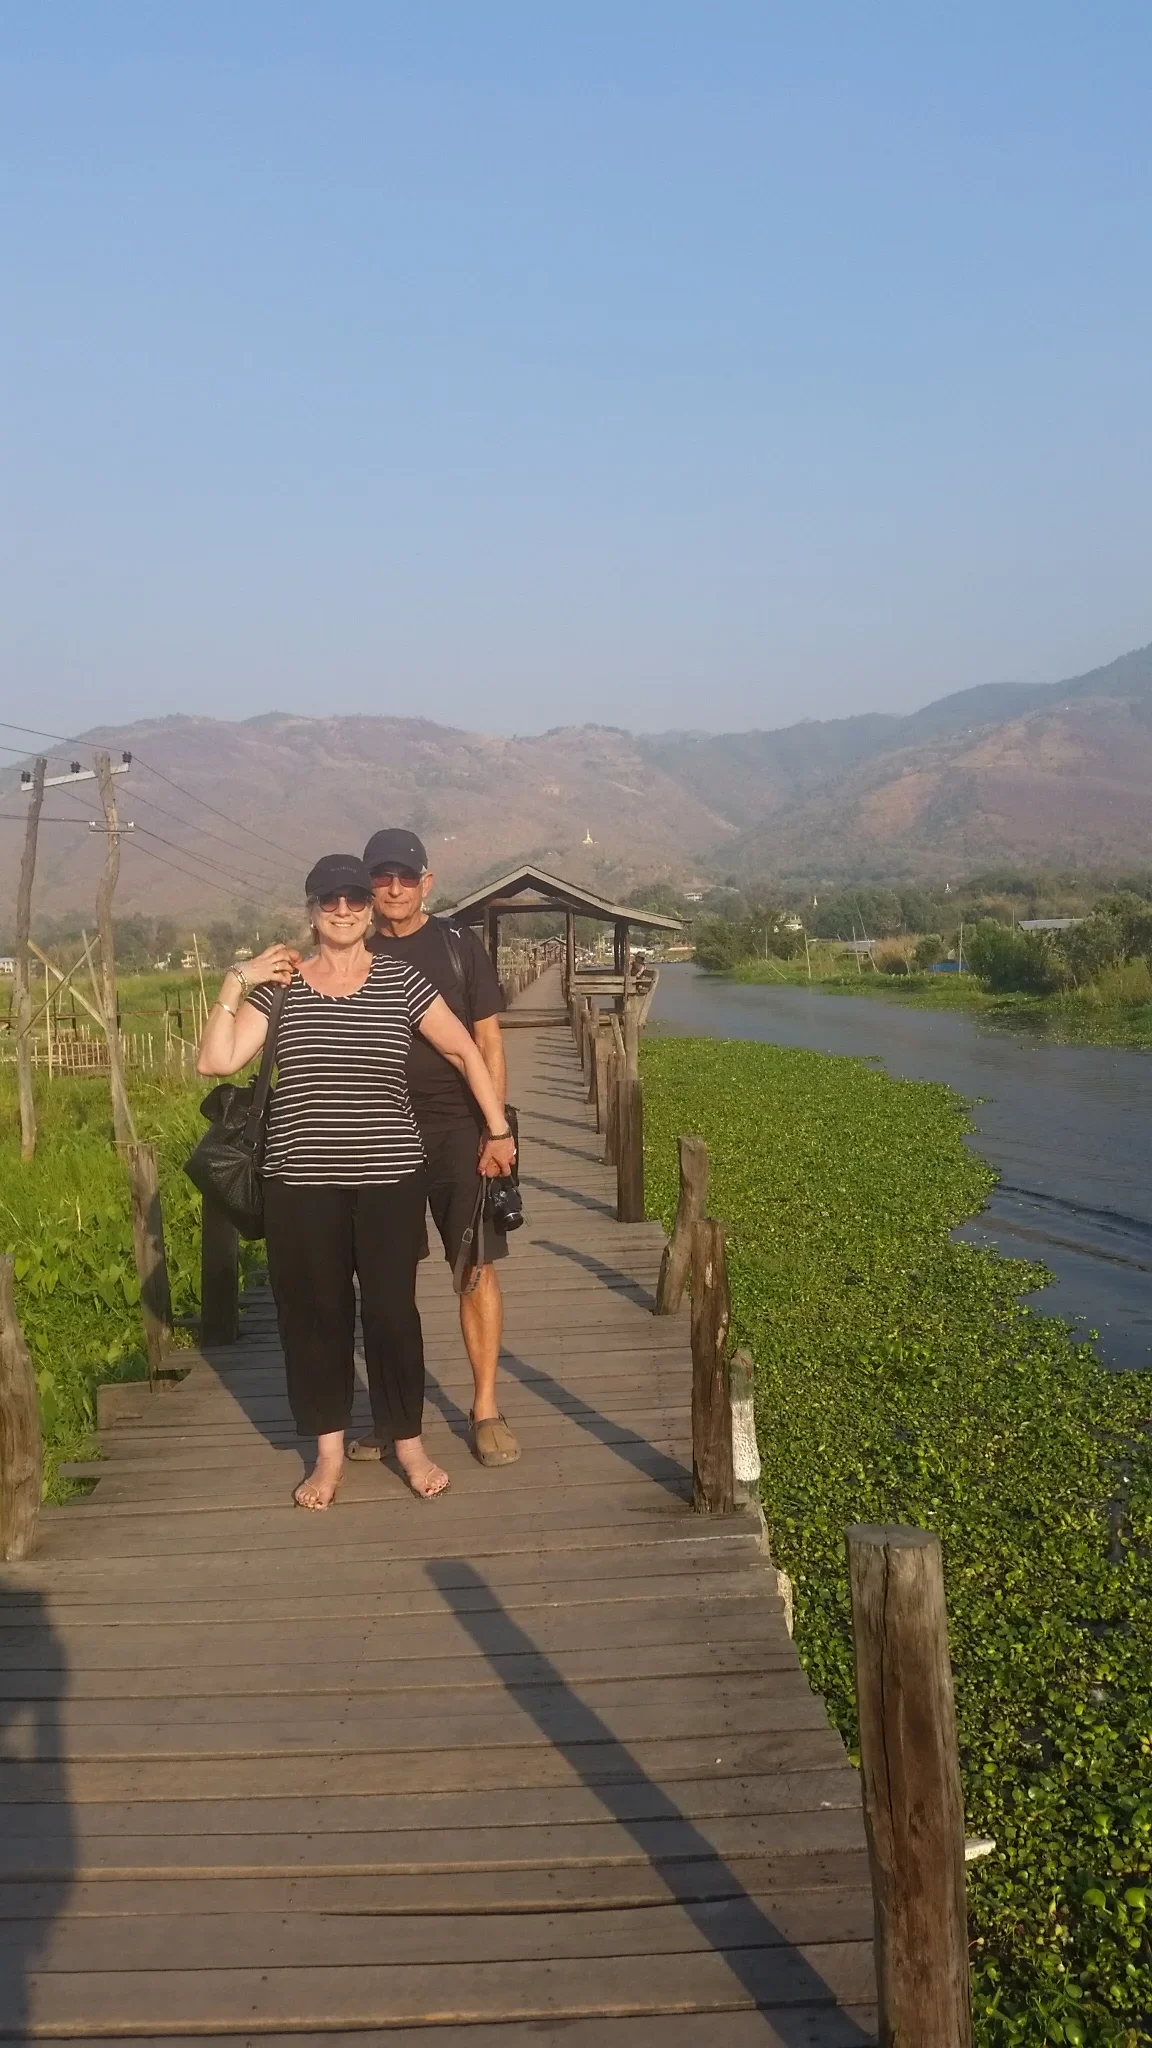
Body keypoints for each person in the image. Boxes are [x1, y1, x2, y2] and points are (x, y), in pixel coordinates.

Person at [195, 853, 516, 1511]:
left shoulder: (401, 980)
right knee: (316, 1316)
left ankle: (408, 1443)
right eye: (329, 900)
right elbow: (215, 1060)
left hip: (389, 1178)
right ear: (312, 911)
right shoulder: (281, 987)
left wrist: (497, 1128)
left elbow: (464, 1049)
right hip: (298, 1181)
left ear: (368, 911)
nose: (342, 911)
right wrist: (238, 979)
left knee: (392, 1313)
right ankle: (329, 1454)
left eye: (353, 900)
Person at [359, 827, 521, 1468]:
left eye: (406, 877)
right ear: (368, 885)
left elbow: (489, 1042)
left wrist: (496, 1130)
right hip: (379, 1133)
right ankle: (394, 1416)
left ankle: (485, 1409)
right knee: (384, 1279)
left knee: (474, 1267)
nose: (394, 888)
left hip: (459, 1129)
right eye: (382, 877)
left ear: (426, 882)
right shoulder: (352, 949)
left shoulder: (458, 946)